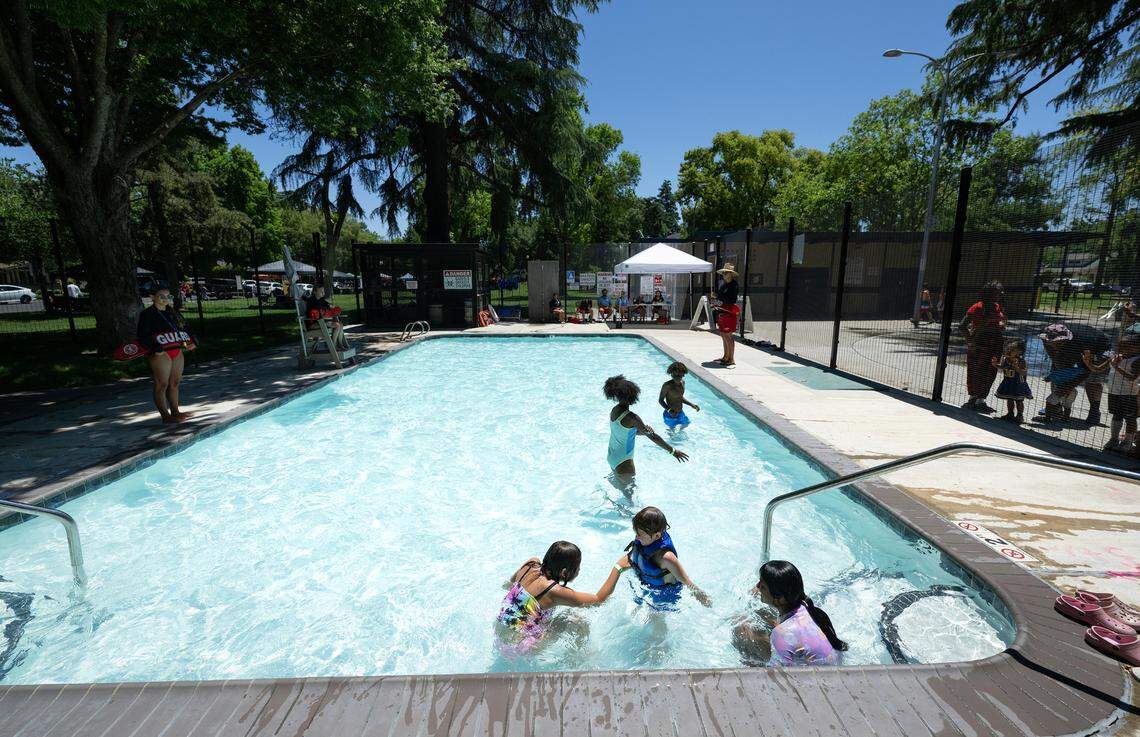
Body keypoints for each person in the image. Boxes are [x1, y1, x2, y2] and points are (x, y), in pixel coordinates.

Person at [497, 541, 632, 654]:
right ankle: (581, 660)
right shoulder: (554, 591)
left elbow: (508, 585)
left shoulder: (531, 564)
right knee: (575, 619)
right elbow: (599, 599)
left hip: (499, 633)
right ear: (564, 573)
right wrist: (618, 568)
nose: (579, 570)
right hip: (521, 647)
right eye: (578, 567)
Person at [732, 560, 847, 667]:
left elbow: (777, 677)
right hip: (833, 670)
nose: (757, 587)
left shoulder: (783, 633)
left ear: (780, 599)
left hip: (817, 681)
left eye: (762, 586)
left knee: (741, 629)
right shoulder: (814, 611)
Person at [605, 375, 689, 479]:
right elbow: (653, 437)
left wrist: (642, 431)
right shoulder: (633, 418)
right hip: (624, 461)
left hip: (612, 456)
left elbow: (624, 432)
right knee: (630, 495)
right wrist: (673, 451)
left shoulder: (615, 411)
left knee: (619, 486)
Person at [624, 506, 710, 608]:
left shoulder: (666, 558)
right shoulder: (644, 537)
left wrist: (706, 602)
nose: (637, 537)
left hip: (664, 595)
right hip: (645, 584)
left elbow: (688, 583)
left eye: (640, 534)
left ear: (657, 536)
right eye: (636, 532)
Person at [137, 284, 195, 423]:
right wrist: (155, 348)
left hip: (176, 350)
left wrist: (193, 341)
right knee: (161, 384)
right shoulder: (147, 314)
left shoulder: (172, 312)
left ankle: (175, 411)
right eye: (161, 296)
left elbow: (185, 328)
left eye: (168, 296)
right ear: (152, 297)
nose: (165, 299)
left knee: (174, 383)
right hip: (160, 353)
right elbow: (142, 335)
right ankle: (165, 415)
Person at [1038, 322, 1111, 424]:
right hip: (1071, 348)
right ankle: (1056, 407)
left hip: (1098, 347)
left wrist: (1068, 386)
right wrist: (1060, 377)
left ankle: (1094, 411)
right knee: (1058, 373)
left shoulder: (1083, 342)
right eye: (1052, 342)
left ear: (1066, 339)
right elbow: (1055, 359)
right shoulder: (1045, 335)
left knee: (1093, 379)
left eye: (1058, 343)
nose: (1054, 345)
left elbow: (1086, 370)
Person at [960, 281, 1006, 413]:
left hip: (995, 344)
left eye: (1000, 291)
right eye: (998, 291)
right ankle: (973, 398)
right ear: (989, 293)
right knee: (976, 371)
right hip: (979, 344)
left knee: (991, 371)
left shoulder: (997, 306)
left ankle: (980, 400)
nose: (1001, 294)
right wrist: (970, 341)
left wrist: (999, 325)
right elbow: (962, 326)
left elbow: (999, 321)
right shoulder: (977, 307)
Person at [1100, 336, 1140, 452]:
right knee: (1116, 415)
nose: (1121, 348)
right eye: (1120, 346)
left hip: (1129, 393)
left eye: (1125, 346)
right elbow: (1098, 369)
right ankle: (1114, 439)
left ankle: (1127, 442)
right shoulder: (1115, 357)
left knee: (1130, 418)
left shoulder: (1137, 360)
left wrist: (1116, 367)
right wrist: (1088, 362)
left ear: (1136, 348)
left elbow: (1132, 377)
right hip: (1114, 391)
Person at [991, 337, 1032, 424]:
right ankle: (1010, 414)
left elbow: (1024, 372)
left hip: (1018, 384)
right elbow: (1002, 367)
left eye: (1012, 349)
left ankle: (1020, 416)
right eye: (1009, 349)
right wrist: (995, 365)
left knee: (1019, 400)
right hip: (1008, 382)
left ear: (1020, 352)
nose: (1009, 350)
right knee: (1009, 399)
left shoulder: (1021, 361)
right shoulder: (1006, 359)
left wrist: (1017, 368)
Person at [711, 263, 740, 367]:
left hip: (729, 312)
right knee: (723, 335)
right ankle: (725, 356)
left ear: (731, 274)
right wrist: (716, 296)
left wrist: (718, 296)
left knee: (728, 336)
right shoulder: (724, 285)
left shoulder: (734, 285)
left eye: (726, 272)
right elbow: (720, 297)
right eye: (723, 272)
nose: (724, 274)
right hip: (722, 311)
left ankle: (731, 359)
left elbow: (731, 300)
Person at [658, 361, 700, 431]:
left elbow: (680, 397)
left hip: (680, 412)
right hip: (670, 414)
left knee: (686, 424)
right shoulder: (667, 386)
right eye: (675, 376)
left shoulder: (683, 383)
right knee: (672, 430)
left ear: (683, 374)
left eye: (679, 375)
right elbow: (660, 400)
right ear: (671, 374)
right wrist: (669, 410)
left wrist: (691, 404)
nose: (677, 378)